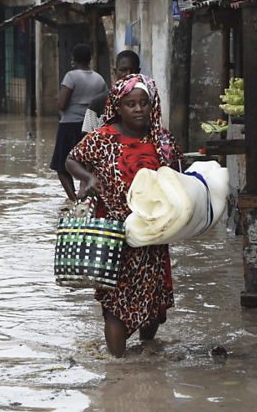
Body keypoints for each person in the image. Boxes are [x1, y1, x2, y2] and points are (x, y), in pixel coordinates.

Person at [65, 74, 184, 358]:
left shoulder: (161, 139)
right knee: (116, 304)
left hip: (153, 235)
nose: (138, 109)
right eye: (131, 104)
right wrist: (88, 178)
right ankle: (118, 371)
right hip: (114, 236)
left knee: (154, 302)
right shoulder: (102, 138)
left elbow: (180, 172)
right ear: (119, 106)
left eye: (144, 103)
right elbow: (71, 160)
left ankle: (146, 356)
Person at [50, 43, 108, 202]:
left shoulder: (71, 76)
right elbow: (105, 103)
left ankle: (74, 199)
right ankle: (85, 193)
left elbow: (62, 104)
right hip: (92, 125)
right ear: (90, 59)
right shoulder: (100, 79)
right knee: (87, 163)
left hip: (69, 124)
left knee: (61, 166)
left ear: (73, 60)